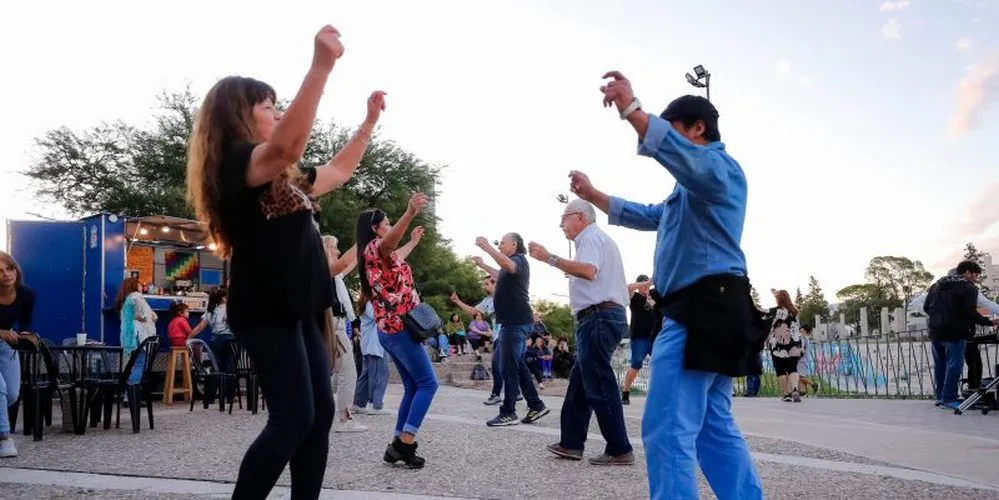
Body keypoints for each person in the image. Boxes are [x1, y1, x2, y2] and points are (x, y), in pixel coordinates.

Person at [185, 24, 386, 498]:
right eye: (269, 106)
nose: (277, 113)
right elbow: (288, 146)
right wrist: (321, 67)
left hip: (299, 310)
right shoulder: (234, 165)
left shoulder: (283, 178)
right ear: (238, 116)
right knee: (293, 418)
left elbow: (337, 171)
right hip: (265, 309)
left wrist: (368, 126)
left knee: (316, 419)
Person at [572, 71, 764, 498]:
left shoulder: (718, 168)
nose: (671, 147)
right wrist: (595, 194)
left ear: (698, 128)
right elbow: (649, 214)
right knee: (713, 425)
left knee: (667, 426)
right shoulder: (692, 189)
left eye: (674, 130)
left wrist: (631, 111)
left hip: (700, 308)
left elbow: (682, 156)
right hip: (713, 307)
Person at [528, 198, 634, 465]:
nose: (562, 225)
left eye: (564, 218)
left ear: (580, 217)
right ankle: (571, 443)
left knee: (598, 381)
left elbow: (588, 271)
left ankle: (620, 448)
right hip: (601, 316)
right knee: (580, 383)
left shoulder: (590, 238)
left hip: (599, 316)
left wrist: (549, 258)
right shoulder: (596, 240)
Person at [356, 194, 438, 469]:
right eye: (387, 223)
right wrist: (409, 212)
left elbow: (396, 254)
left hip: (390, 329)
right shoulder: (374, 248)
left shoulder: (379, 257)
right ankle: (405, 442)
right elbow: (389, 245)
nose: (390, 227)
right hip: (399, 328)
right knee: (428, 384)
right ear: (376, 229)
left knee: (413, 386)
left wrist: (413, 241)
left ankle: (396, 444)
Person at [474, 233, 551, 427]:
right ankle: (535, 405)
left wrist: (487, 248)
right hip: (514, 322)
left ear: (514, 244)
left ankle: (508, 412)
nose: (499, 245)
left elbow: (508, 266)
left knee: (508, 366)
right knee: (516, 364)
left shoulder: (519, 260)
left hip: (516, 322)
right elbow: (501, 274)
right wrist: (483, 264)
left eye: (502, 243)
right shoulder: (512, 265)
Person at [923, 261, 998, 410]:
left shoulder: (936, 285)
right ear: (967, 272)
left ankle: (940, 397)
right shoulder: (969, 288)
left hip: (935, 331)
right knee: (954, 366)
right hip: (955, 332)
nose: (976, 279)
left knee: (940, 365)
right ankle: (949, 398)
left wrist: (937, 318)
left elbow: (926, 307)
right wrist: (990, 322)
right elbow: (969, 312)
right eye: (975, 275)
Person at [321, 233, 367, 433]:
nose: (338, 251)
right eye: (334, 247)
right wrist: (363, 237)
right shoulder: (324, 271)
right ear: (325, 249)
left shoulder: (334, 276)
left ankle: (334, 415)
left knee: (335, 372)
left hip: (336, 326)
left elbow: (350, 262)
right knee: (347, 371)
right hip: (333, 327)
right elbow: (346, 261)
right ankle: (344, 419)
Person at [0, 251, 37, 458]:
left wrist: (25, 335)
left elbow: (26, 321)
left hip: (6, 347)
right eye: (0, 271)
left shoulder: (26, 294)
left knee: (12, 394)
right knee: (0, 389)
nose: (6, 274)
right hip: (2, 338)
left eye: (9, 268)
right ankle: (4, 439)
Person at [451, 275, 508, 405]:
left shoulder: (505, 294)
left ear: (495, 284)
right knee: (503, 365)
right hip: (498, 336)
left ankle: (499, 394)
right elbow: (473, 311)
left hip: (508, 333)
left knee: (501, 365)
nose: (484, 286)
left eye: (487, 283)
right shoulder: (486, 301)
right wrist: (458, 301)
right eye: (484, 284)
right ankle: (514, 393)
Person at [621, 275, 659, 405]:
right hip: (639, 338)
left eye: (647, 285)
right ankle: (625, 392)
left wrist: (653, 302)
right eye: (642, 285)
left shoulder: (654, 297)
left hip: (655, 338)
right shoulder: (635, 298)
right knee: (636, 365)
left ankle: (658, 394)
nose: (645, 287)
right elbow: (627, 288)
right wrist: (645, 283)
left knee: (661, 364)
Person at [115, 277, 157, 384]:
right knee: (140, 364)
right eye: (139, 284)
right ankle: (132, 393)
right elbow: (142, 316)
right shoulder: (136, 296)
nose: (142, 287)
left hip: (128, 337)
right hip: (138, 335)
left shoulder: (126, 300)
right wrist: (150, 317)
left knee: (131, 365)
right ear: (133, 286)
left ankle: (127, 394)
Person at [352, 301, 390, 415]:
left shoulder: (367, 303)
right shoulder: (370, 303)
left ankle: (358, 403)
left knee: (367, 375)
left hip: (370, 344)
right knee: (380, 374)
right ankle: (375, 405)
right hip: (375, 344)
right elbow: (379, 317)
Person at [767, 290, 803, 403]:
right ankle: (795, 389)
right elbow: (797, 328)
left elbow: (765, 321)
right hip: (794, 344)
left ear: (778, 300)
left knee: (780, 369)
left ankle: (786, 394)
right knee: (793, 368)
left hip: (778, 344)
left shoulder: (774, 312)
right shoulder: (794, 312)